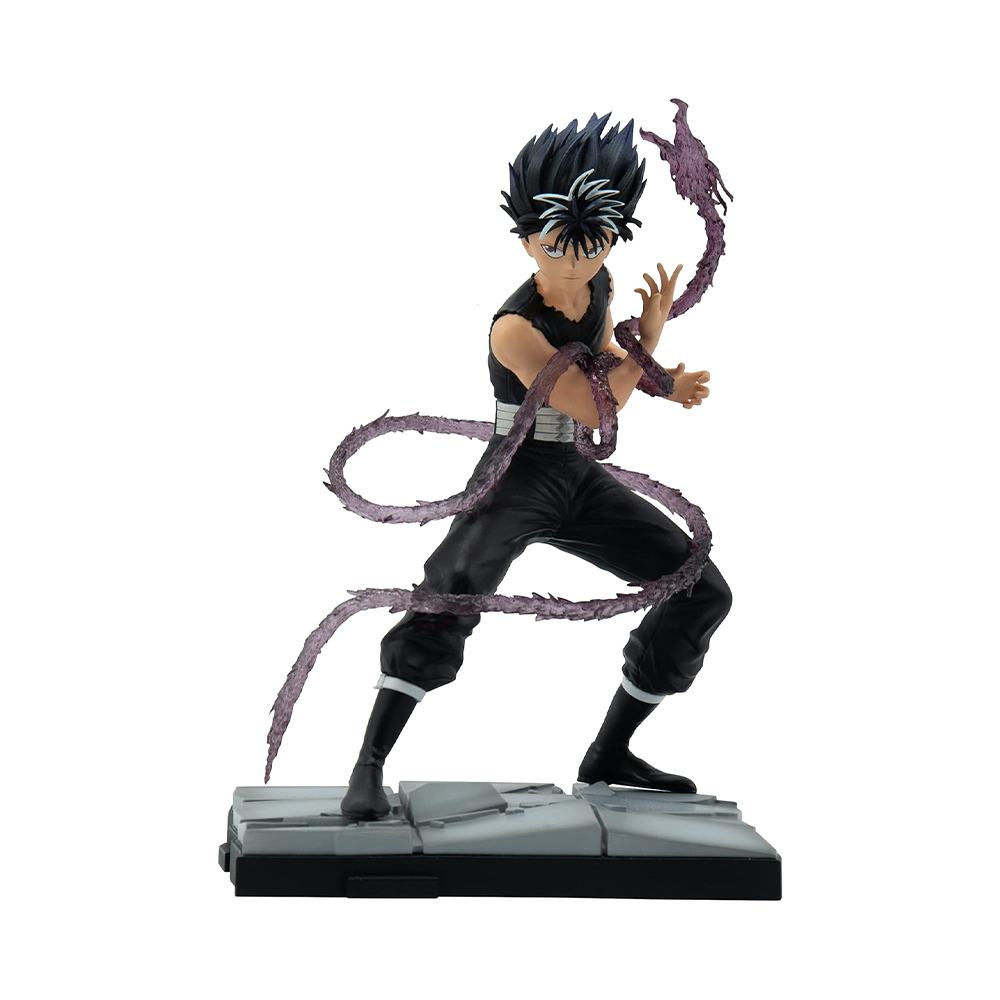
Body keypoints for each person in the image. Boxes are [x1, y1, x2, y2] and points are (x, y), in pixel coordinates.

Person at [340, 115, 732, 821]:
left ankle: (609, 755)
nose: (576, 262)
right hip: (514, 474)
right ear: (526, 239)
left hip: (573, 472)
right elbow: (589, 402)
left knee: (700, 591)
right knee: (449, 595)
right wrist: (651, 341)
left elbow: (604, 360)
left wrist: (663, 380)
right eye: (557, 246)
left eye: (594, 244)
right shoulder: (514, 328)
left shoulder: (599, 284)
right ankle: (367, 766)